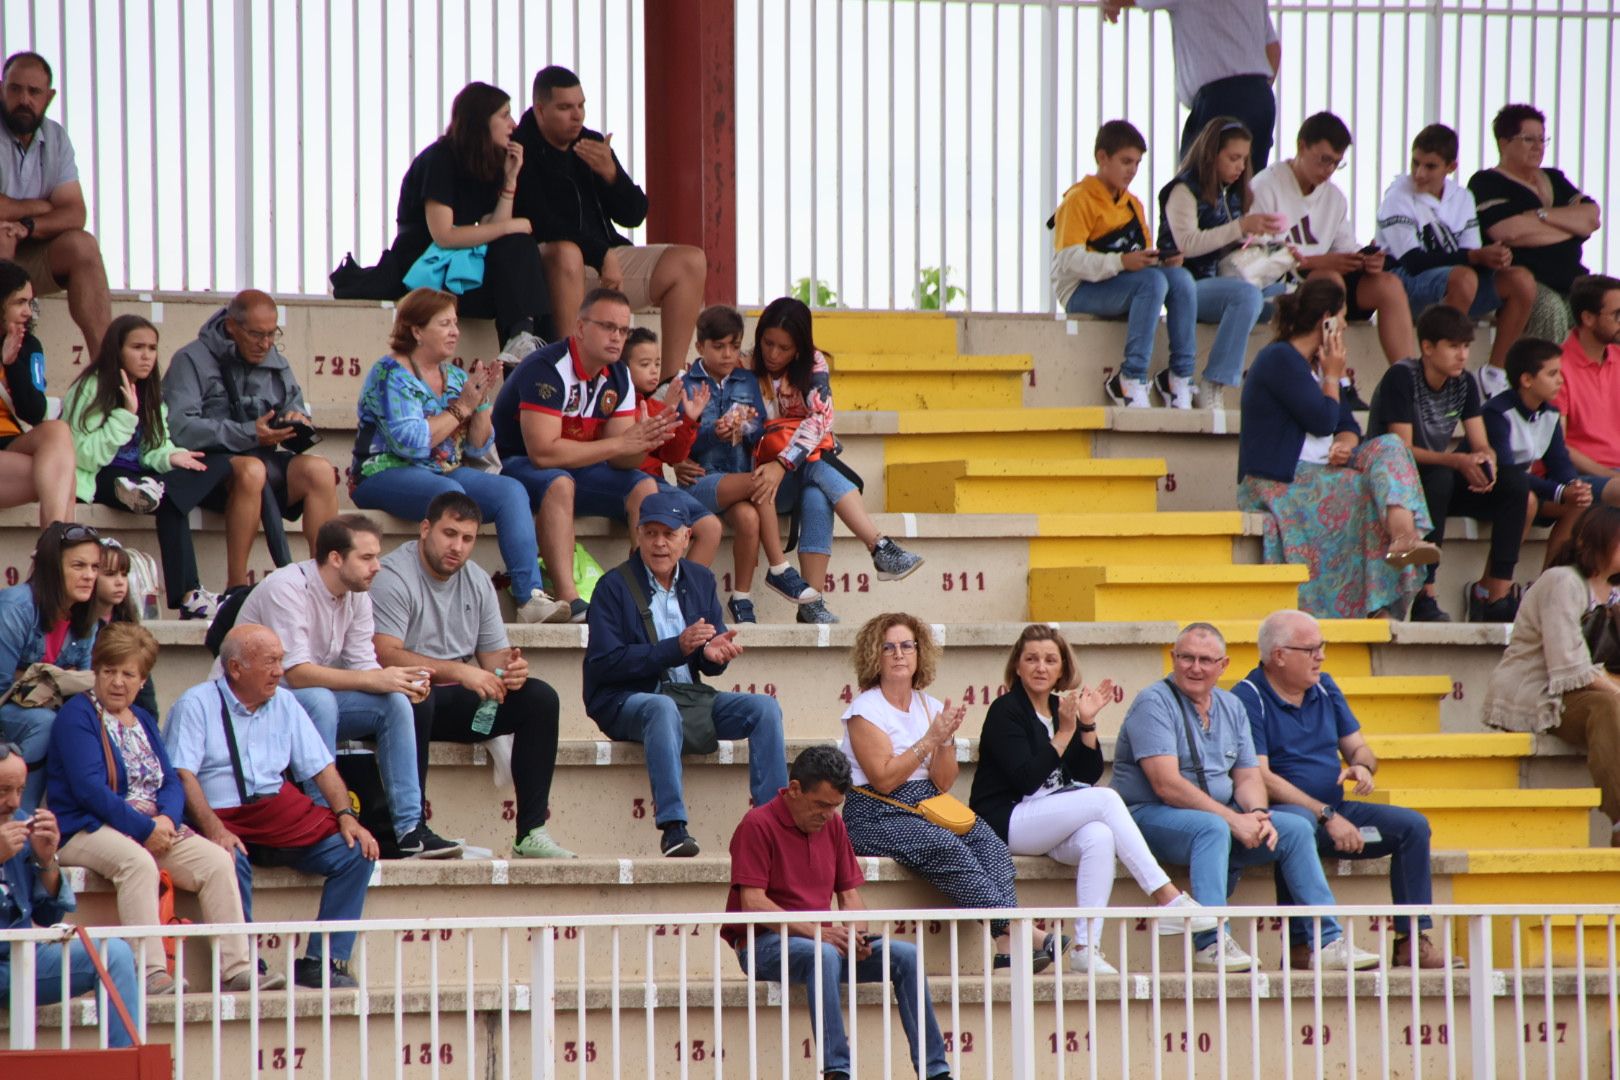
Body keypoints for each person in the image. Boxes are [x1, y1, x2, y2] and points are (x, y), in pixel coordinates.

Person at [1109, 622, 1380, 972]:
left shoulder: (1231, 704)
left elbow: (1249, 775)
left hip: (1218, 815)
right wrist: (1233, 819)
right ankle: (1211, 943)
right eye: (1186, 657)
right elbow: (1166, 785)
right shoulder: (1153, 701)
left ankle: (1327, 940)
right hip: (1149, 815)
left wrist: (1257, 814)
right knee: (1213, 828)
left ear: (1224, 665)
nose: (1195, 667)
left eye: (1206, 660)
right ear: (1173, 659)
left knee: (1297, 826)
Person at [46, 624, 282, 993]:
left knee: (220, 862)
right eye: (109, 671)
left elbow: (170, 781)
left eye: (129, 674)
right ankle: (151, 971)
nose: (118, 682)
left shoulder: (142, 720)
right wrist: (146, 830)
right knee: (138, 864)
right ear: (97, 671)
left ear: (143, 680)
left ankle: (237, 968)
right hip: (86, 828)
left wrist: (166, 821)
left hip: (152, 826)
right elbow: (89, 790)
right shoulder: (78, 716)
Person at [969, 624, 1214, 975]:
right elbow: (1025, 779)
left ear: (1062, 668)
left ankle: (1086, 947)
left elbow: (1086, 775)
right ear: (1018, 667)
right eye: (1032, 659)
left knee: (1100, 836)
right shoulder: (1005, 711)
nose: (1041, 667)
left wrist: (1085, 724)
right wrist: (1065, 732)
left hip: (1047, 818)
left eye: (1050, 660)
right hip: (1007, 819)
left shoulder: (1060, 708)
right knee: (1106, 801)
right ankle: (1166, 897)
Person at [224, 514, 459, 858]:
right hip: (248, 704)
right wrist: (377, 678)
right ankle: (325, 820)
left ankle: (410, 829)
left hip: (306, 701)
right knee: (321, 700)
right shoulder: (286, 587)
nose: (377, 566)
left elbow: (363, 664)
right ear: (336, 558)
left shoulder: (357, 593)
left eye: (377, 556)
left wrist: (401, 684)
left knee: (394, 703)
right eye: (367, 558)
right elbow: (297, 673)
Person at [840, 612, 1059, 971]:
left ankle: (1005, 944)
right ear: (873, 656)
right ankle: (1021, 930)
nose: (899, 654)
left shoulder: (930, 705)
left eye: (906, 646)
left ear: (918, 653)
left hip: (927, 802)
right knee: (948, 847)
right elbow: (883, 779)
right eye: (888, 647)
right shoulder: (865, 710)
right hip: (875, 812)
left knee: (990, 844)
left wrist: (943, 743)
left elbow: (943, 781)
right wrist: (929, 740)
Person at [165, 625, 377, 988]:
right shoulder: (195, 704)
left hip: (278, 813)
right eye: (270, 662)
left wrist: (346, 816)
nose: (280, 670)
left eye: (281, 660)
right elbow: (183, 776)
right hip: (221, 817)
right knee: (230, 859)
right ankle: (246, 964)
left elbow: (322, 767)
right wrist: (216, 831)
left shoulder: (285, 702)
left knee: (357, 852)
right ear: (235, 668)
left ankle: (321, 962)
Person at [1232, 609, 1447, 968]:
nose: (1321, 656)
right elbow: (1259, 775)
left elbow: (1360, 749)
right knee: (1298, 827)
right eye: (1311, 649)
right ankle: (1304, 945)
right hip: (1287, 813)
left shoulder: (1325, 686)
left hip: (1337, 810)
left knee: (1412, 827)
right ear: (1279, 656)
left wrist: (1361, 765)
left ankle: (1411, 940)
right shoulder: (1248, 695)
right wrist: (1326, 814)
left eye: (1322, 647)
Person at [724, 745, 953, 1080]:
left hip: (821, 942)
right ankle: (837, 1071)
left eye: (835, 806)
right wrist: (822, 932)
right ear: (795, 789)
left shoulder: (833, 826)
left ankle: (936, 1072)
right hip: (763, 945)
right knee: (824, 955)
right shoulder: (757, 824)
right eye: (821, 805)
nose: (829, 814)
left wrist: (855, 934)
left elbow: (850, 897)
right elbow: (754, 903)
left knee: (906, 955)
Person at [582, 491, 786, 858]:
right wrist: (676, 647)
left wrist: (713, 656)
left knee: (764, 709)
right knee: (660, 707)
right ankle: (673, 827)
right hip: (622, 699)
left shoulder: (700, 579)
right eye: (651, 533)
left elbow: (707, 654)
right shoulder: (612, 586)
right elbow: (605, 663)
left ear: (687, 538)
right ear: (639, 535)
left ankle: (773, 823)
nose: (660, 543)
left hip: (687, 696)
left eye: (669, 533)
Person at [370, 492, 573, 859]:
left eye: (467, 539)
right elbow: (385, 654)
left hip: (456, 710)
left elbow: (493, 658)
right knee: (417, 691)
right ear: (425, 529)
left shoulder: (477, 580)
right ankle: (411, 829)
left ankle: (530, 832)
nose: (457, 547)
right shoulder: (393, 575)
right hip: (399, 703)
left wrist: (510, 672)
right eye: (449, 534)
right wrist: (459, 671)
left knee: (540, 699)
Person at [350, 287, 569, 623]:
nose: (455, 332)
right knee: (450, 497)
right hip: (383, 472)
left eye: (455, 323)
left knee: (511, 490)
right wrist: (462, 407)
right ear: (417, 330)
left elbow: (478, 447)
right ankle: (449, 595)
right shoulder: (390, 374)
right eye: (445, 324)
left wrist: (481, 402)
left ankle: (531, 598)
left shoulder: (453, 375)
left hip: (443, 471)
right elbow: (411, 443)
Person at [1238, 278, 1437, 619]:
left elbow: (1346, 425)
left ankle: (1404, 535)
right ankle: (1375, 606)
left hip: (1319, 470)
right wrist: (1333, 375)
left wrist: (1345, 447)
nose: (1345, 326)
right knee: (1364, 492)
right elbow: (1321, 421)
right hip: (1278, 480)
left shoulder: (1318, 364)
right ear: (1325, 320)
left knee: (1390, 446)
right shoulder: (1280, 359)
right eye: (1342, 318)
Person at [493, 287, 682, 622]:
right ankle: (570, 599)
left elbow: (621, 458)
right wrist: (620, 445)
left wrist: (643, 441)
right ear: (580, 328)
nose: (617, 337)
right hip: (516, 466)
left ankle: (646, 594)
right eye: (608, 327)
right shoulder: (546, 367)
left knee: (644, 487)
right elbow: (543, 453)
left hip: (577, 467)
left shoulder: (619, 373)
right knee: (560, 482)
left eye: (623, 331)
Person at [513, 65, 707, 382]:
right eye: (565, 108)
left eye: (581, 106)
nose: (577, 116)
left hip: (607, 266)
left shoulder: (589, 143)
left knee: (690, 261)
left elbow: (634, 213)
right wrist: (602, 254)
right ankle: (570, 375)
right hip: (553, 271)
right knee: (567, 253)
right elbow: (543, 222)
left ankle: (668, 383)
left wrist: (612, 175)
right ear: (540, 109)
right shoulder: (520, 147)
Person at [65, 313, 254, 621]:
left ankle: (154, 493)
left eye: (152, 348)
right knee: (171, 501)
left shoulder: (150, 389)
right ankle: (189, 595)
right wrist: (125, 416)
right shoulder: (92, 386)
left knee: (219, 463)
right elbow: (83, 455)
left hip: (142, 478)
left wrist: (170, 457)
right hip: (101, 476)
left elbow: (156, 446)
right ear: (117, 350)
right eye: (137, 347)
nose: (146, 356)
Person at [749, 298, 922, 624]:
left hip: (792, 470)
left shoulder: (814, 366)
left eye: (783, 348)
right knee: (817, 466)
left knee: (817, 492)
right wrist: (778, 465)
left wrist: (783, 462)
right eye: (768, 343)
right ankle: (879, 546)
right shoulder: (746, 368)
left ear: (799, 349)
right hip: (761, 483)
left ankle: (811, 603)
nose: (773, 354)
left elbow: (819, 420)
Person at [1367, 304, 1529, 623]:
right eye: (1454, 346)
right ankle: (1426, 596)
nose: (1462, 355)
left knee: (1515, 484)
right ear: (1427, 347)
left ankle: (1496, 594)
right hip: (1397, 484)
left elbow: (1481, 441)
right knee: (1441, 476)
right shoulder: (1402, 376)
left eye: (1466, 346)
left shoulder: (1464, 382)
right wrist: (1457, 460)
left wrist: (1486, 461)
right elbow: (1401, 449)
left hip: (1438, 476)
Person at [162, 289, 341, 564]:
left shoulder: (276, 361)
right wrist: (248, 433)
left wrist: (294, 420)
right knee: (252, 470)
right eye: (257, 335)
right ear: (232, 326)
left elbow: (293, 403)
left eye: (272, 334)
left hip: (265, 463)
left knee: (320, 471)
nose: (266, 343)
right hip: (207, 470)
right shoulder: (191, 360)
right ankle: (237, 585)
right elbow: (181, 428)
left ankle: (325, 576)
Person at [1484, 505, 1620, 844]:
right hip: (1542, 691)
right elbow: (1568, 666)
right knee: (1608, 708)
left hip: (1590, 686)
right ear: (1600, 541)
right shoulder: (1562, 582)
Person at [390, 81, 551, 367]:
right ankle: (521, 341)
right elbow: (444, 235)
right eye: (505, 115)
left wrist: (510, 180)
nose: (513, 124)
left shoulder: (489, 162)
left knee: (518, 249)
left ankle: (522, 341)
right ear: (481, 120)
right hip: (426, 271)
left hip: (462, 270)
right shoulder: (438, 159)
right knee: (517, 239)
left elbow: (496, 231)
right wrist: (510, 226)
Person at [1376, 123, 1537, 397]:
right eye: (1415, 163)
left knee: (1521, 280)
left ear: (1451, 167)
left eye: (1430, 166)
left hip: (1456, 285)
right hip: (1406, 284)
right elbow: (1413, 261)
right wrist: (1474, 256)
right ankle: (1437, 370)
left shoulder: (1462, 197)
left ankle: (1494, 374)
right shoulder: (1397, 194)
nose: (1419, 173)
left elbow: (1471, 255)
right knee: (1463, 277)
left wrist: (1494, 258)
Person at [678, 304, 814, 624]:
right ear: (700, 347)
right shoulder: (689, 383)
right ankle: (779, 567)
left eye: (734, 346)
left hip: (737, 481)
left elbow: (758, 433)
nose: (727, 354)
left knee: (750, 519)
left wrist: (745, 428)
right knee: (761, 480)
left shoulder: (745, 380)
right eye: (719, 346)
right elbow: (683, 444)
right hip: (701, 481)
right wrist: (715, 433)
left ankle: (741, 598)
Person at [1253, 111, 1417, 372]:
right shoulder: (1265, 186)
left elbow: (1345, 249)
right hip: (1281, 288)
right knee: (1330, 280)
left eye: (1336, 163)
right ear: (1301, 146)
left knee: (1388, 285)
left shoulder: (1335, 198)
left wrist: (1365, 261)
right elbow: (1256, 259)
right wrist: (1316, 262)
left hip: (1326, 288)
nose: (1328, 170)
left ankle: (1411, 380)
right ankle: (1337, 376)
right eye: (1323, 160)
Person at [1, 741, 140, 1047]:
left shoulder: (20, 820)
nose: (13, 802)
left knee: (113, 954)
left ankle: (126, 1066)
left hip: (22, 958)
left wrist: (46, 860)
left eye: (20, 790)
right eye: (3, 791)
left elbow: (48, 915)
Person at [1054, 120, 1199, 410]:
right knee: (1153, 283)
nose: (1132, 170)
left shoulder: (1133, 204)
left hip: (1124, 284)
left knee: (1180, 278)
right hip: (1081, 291)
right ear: (1102, 158)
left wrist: (1161, 259)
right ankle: (1130, 378)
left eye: (1137, 163)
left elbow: (1140, 257)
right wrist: (1120, 262)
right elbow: (1069, 261)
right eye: (1125, 162)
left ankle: (1179, 377)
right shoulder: (1078, 200)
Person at [1155, 117, 1280, 409]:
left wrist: (1274, 252)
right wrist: (1240, 227)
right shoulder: (1182, 190)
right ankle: (1214, 380)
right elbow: (1188, 242)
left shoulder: (1232, 195)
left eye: (1244, 160)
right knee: (1247, 296)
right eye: (1233, 158)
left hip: (1223, 283)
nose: (1239, 166)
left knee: (1290, 299)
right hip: (1186, 287)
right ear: (1212, 154)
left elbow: (1228, 247)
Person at [0, 51, 112, 356]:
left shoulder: (56, 138)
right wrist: (40, 207)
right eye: (15, 89)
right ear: (2, 89)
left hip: (30, 248)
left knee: (83, 245)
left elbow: (75, 213)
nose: (24, 99)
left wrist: (28, 226)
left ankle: (105, 373)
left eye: (34, 92)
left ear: (48, 97)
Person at [1469, 104, 1602, 344]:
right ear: (1503, 143)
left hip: (1573, 280)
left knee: (1610, 306)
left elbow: (1591, 218)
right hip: (1528, 284)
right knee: (1551, 310)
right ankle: (1541, 380)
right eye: (1528, 139)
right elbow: (1508, 231)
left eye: (1542, 139)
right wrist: (1570, 227)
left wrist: (1541, 215)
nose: (1538, 146)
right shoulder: (1486, 182)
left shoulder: (1555, 178)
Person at [1484, 337, 1613, 570]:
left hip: (1527, 488)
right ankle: (1491, 590)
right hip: (1491, 490)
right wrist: (1560, 491)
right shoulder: (1497, 412)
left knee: (1581, 500)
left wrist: (1573, 486)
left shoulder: (1550, 413)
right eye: (1552, 374)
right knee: (1527, 500)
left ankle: (1547, 581)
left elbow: (1559, 462)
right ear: (1527, 380)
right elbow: (1506, 471)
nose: (1561, 381)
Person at [1101, 2, 1280, 169]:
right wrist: (1255, 91)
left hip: (1219, 98)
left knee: (1194, 187)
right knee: (1246, 186)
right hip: (1260, 97)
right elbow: (1273, 48)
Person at [0, 521, 102, 812]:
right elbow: (2, 686)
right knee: (45, 722)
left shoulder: (87, 618)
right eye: (79, 566)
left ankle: (77, 816)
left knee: (88, 719)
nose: (89, 576)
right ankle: (22, 817)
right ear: (52, 567)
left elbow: (83, 684)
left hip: (48, 709)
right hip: (10, 712)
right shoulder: (15, 607)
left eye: (95, 567)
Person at [622, 326, 722, 566]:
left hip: (658, 484)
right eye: (644, 364)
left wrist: (688, 418)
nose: (654, 371)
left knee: (710, 528)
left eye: (657, 363)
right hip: (630, 483)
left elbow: (673, 455)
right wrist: (663, 411)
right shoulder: (618, 402)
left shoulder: (654, 402)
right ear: (623, 368)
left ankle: (684, 600)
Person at [0, 258, 76, 526]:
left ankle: (54, 544)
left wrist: (12, 365)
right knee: (63, 475)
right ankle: (56, 550)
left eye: (30, 302)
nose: (28, 312)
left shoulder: (28, 345)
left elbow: (34, 412)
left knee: (57, 431)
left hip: (9, 443)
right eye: (19, 302)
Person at [1552, 275, 1620, 488]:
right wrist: (1612, 476)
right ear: (1588, 318)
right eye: (1618, 315)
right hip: (1580, 476)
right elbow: (1558, 446)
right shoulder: (1556, 367)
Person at [90, 538, 159, 718]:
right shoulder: (78, 627)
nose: (120, 581)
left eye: (124, 573)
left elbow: (147, 704)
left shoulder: (130, 628)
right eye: (110, 574)